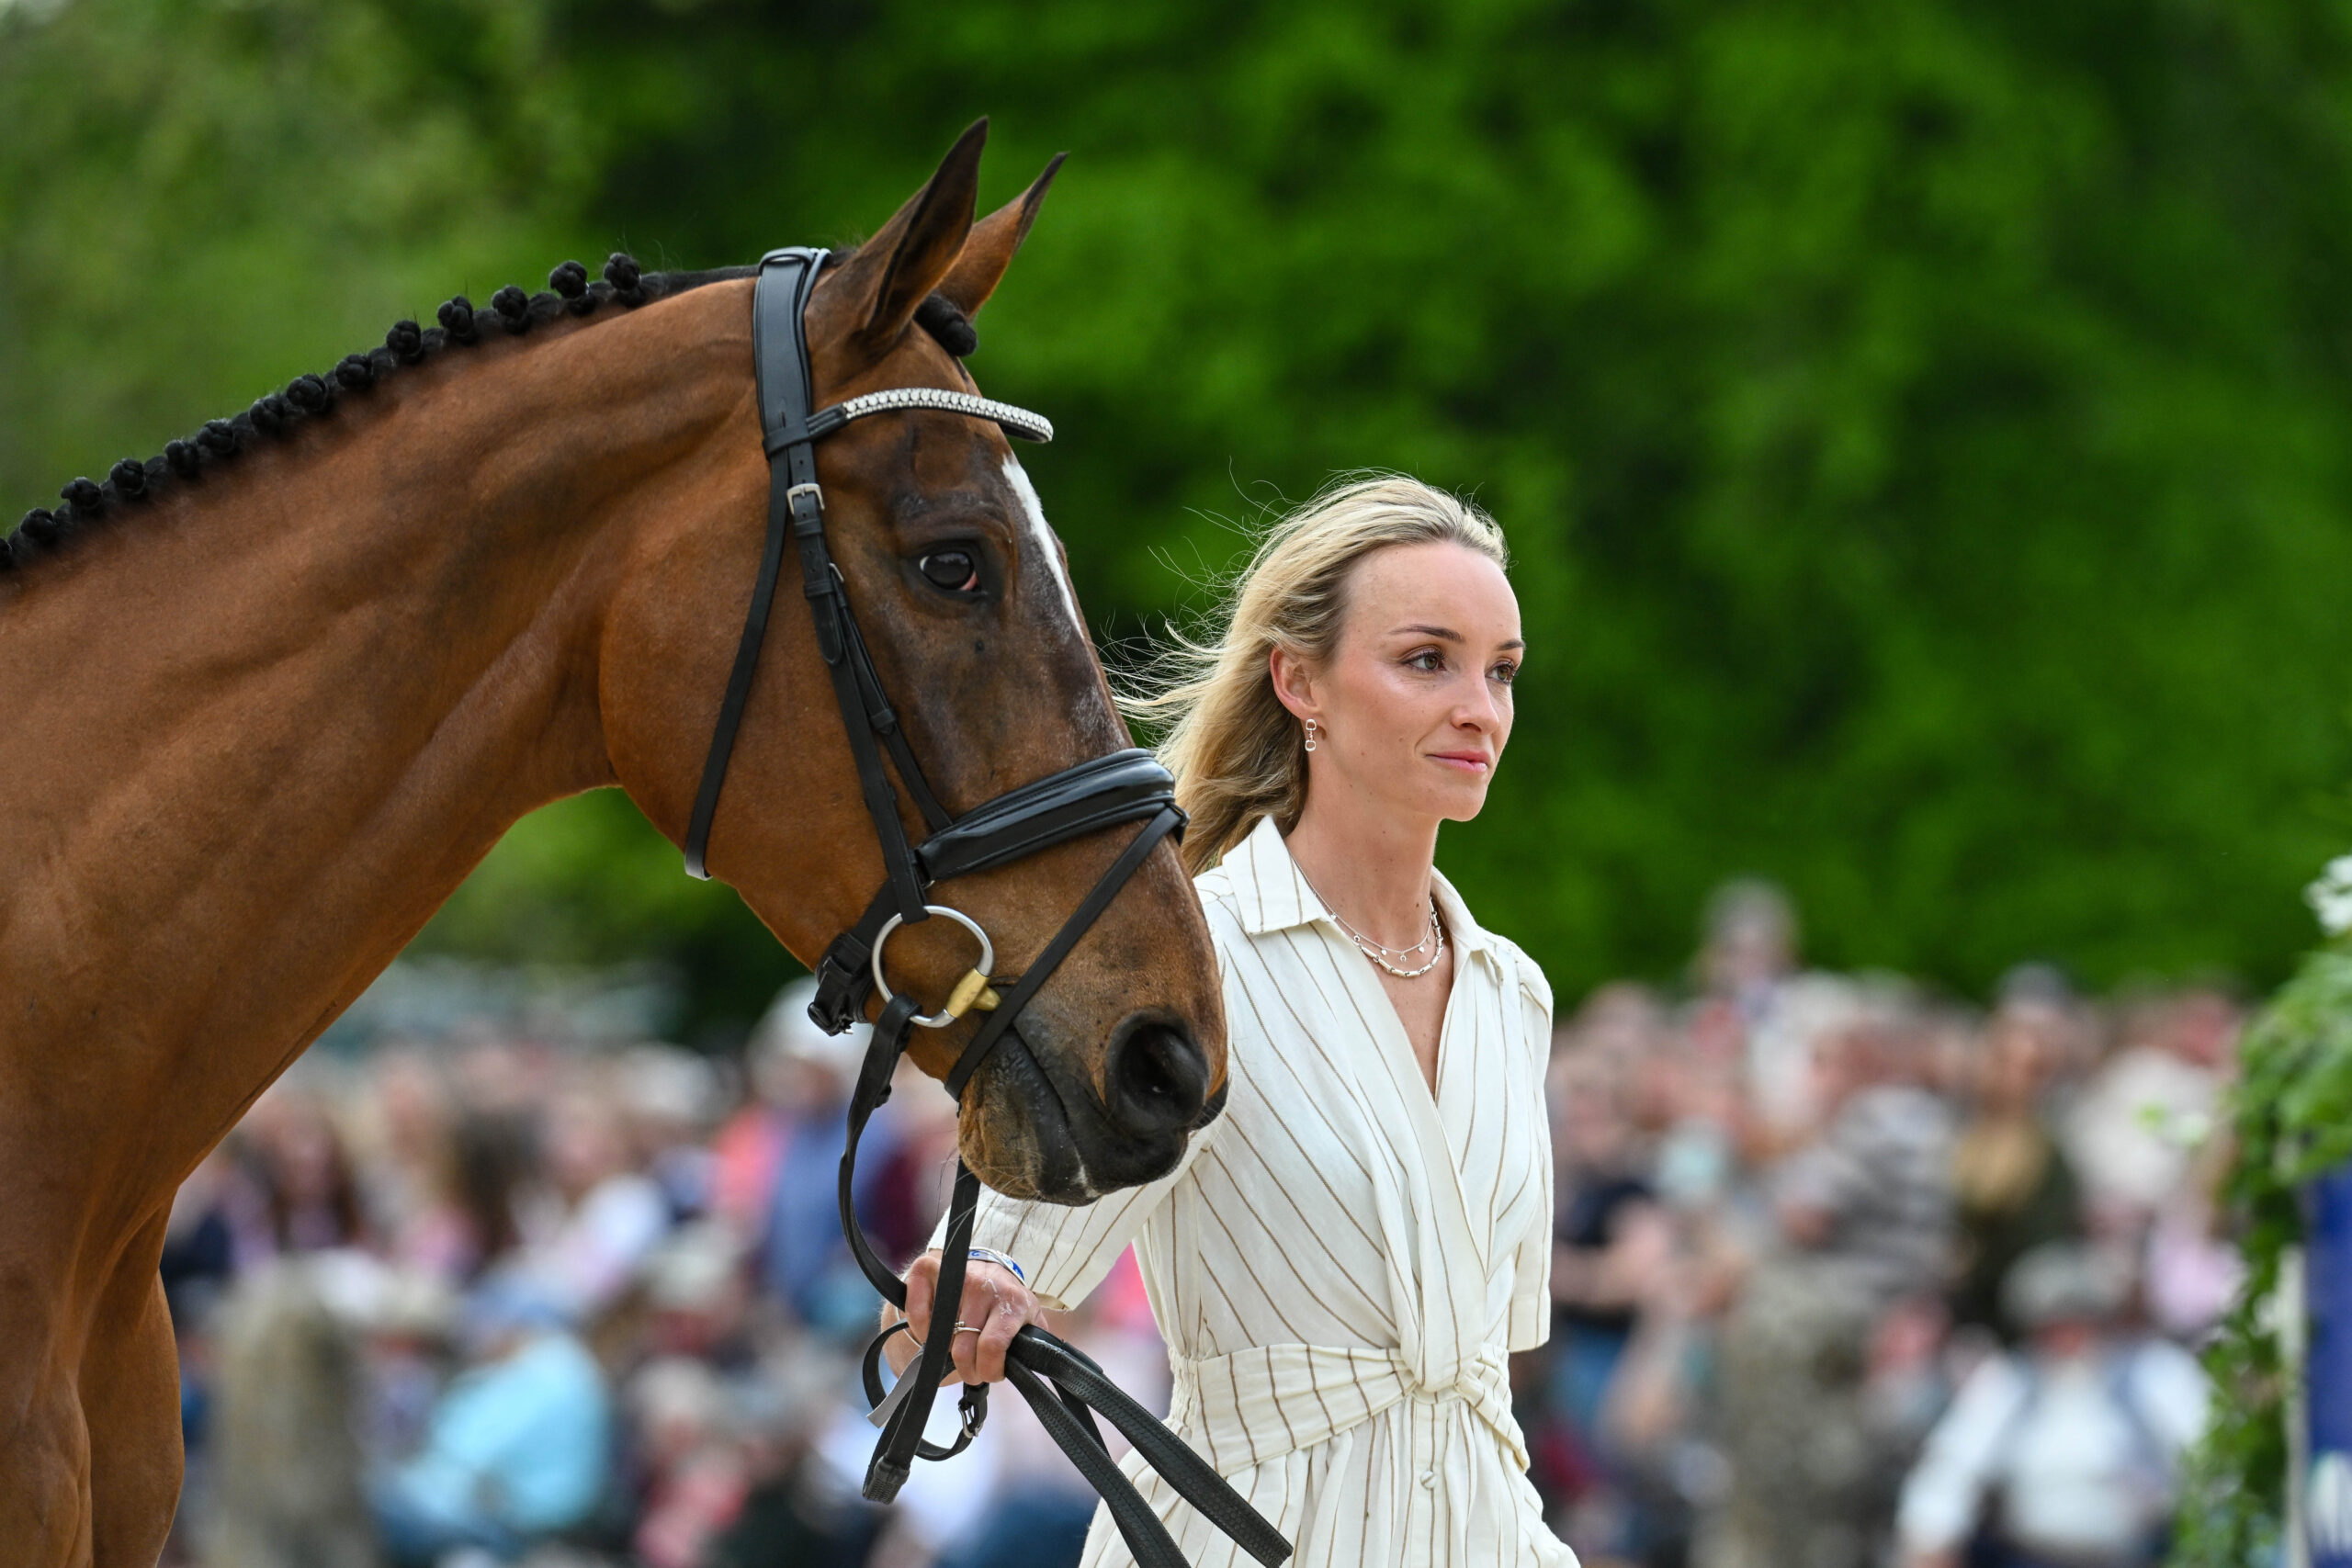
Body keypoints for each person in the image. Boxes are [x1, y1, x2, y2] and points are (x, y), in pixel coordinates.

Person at [888, 475, 1570, 1565]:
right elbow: (999, 1261)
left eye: (1500, 671)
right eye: (1425, 659)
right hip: (1244, 1533)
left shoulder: (1511, 992)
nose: (1478, 709)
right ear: (1300, 681)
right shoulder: (1183, 959)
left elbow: (1484, 1359)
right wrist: (983, 1280)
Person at [1895, 1243, 2208, 1568]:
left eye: (2076, 1321)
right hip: (2027, 1557)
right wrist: (1931, 1538)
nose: (2065, 1337)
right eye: (2051, 1326)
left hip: (2140, 1555)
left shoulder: (2152, 1372)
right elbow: (1952, 1467)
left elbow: (2207, 1455)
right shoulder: (2009, 1382)